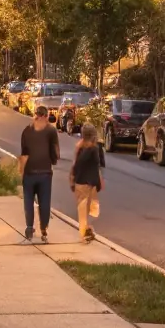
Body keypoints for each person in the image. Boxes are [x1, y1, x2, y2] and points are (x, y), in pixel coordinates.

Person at [18, 104, 60, 243]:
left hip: (29, 171)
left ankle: (29, 228)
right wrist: (53, 161)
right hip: (45, 172)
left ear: (35, 115)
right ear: (46, 116)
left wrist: (21, 172)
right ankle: (44, 230)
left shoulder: (26, 131)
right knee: (44, 201)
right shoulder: (51, 131)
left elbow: (24, 153)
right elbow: (55, 152)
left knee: (28, 201)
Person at [69, 121, 104, 243]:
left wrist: (72, 179)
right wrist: (99, 181)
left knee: (88, 209)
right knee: (86, 210)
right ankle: (85, 233)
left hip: (82, 182)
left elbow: (75, 165)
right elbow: (97, 166)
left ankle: (87, 229)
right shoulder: (93, 149)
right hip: (88, 183)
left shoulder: (81, 147)